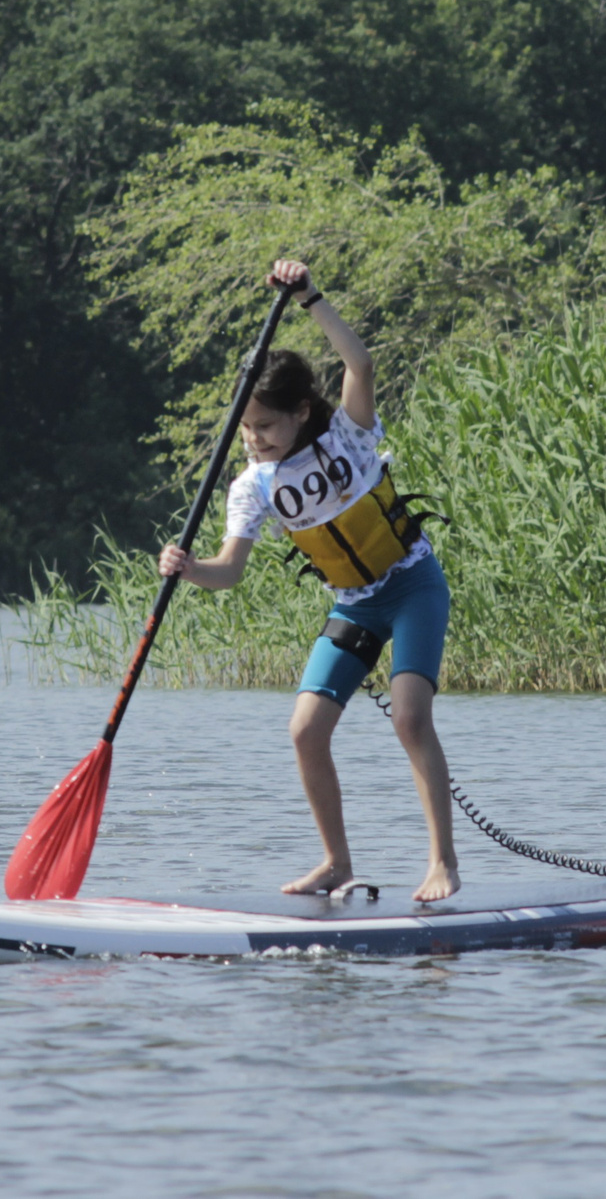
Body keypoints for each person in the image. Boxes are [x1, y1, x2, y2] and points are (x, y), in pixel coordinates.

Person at [158, 258, 461, 903]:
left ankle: (442, 862)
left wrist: (310, 297)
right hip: (356, 606)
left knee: (409, 719)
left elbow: (361, 365)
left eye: (265, 427)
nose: (253, 441)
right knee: (304, 729)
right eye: (244, 430)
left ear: (300, 412)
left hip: (411, 587)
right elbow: (229, 572)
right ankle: (335, 864)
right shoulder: (253, 486)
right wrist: (187, 572)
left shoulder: (348, 436)